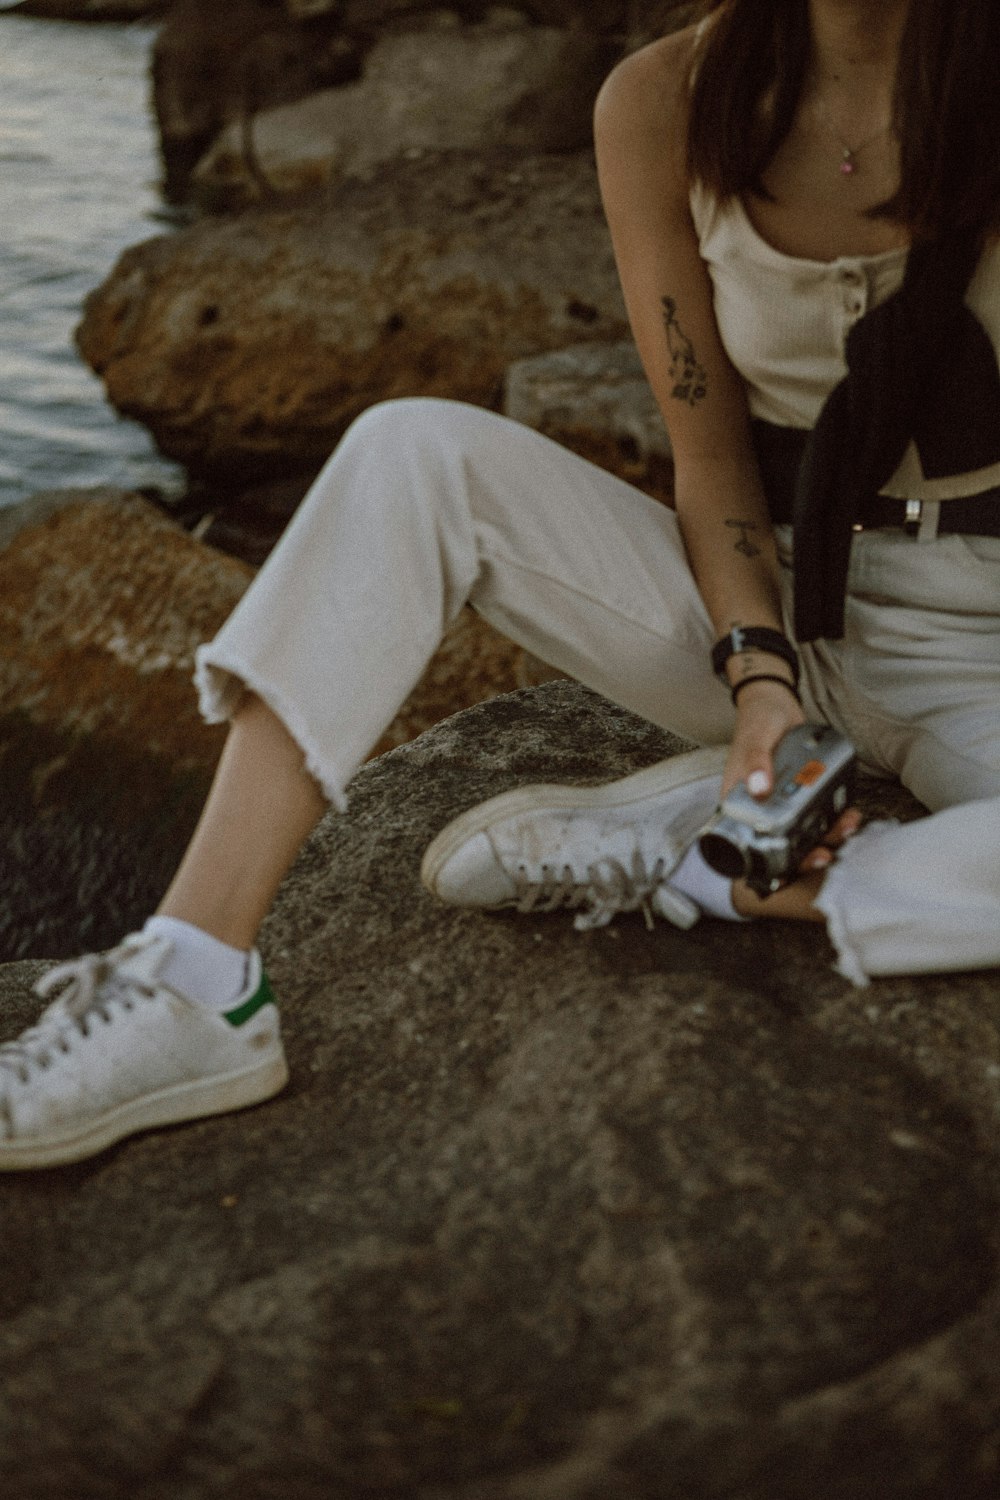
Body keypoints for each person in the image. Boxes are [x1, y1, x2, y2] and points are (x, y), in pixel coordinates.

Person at [2, 0, 999, 1170]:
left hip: (979, 644)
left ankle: (703, 856)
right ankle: (193, 977)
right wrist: (759, 679)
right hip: (769, 608)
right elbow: (711, 455)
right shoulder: (664, 100)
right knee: (412, 451)